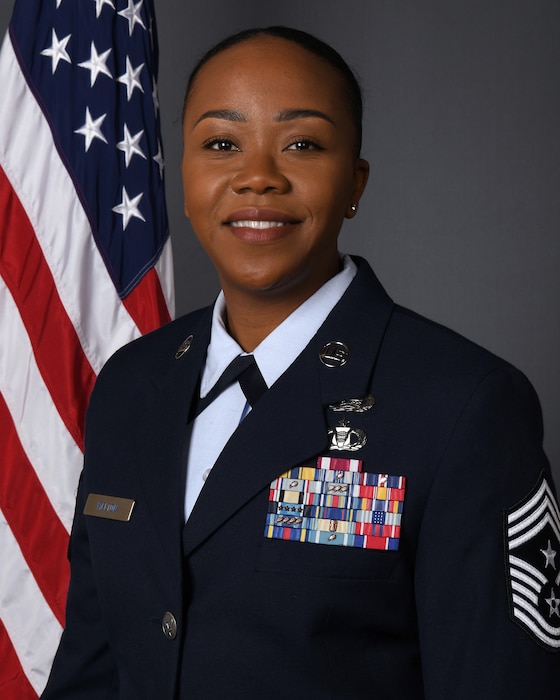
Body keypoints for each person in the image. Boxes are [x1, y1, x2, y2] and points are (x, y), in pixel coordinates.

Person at [41, 26, 559, 699]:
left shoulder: (463, 405)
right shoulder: (131, 384)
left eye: (303, 144)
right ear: (184, 174)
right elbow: (91, 670)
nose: (257, 176)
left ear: (355, 183)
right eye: (221, 144)